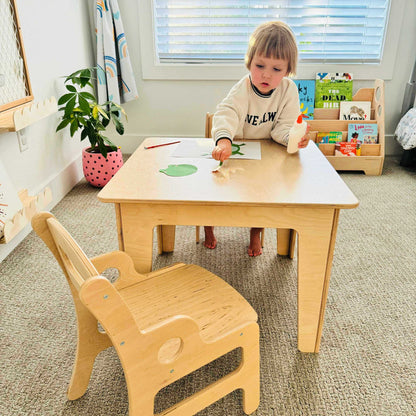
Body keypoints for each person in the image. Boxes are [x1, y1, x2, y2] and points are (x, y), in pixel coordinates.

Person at [204, 21, 310, 256]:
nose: (265, 74)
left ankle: (255, 233)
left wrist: (293, 138)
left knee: (263, 194)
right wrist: (223, 141)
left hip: (266, 153)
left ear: (288, 70)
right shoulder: (242, 88)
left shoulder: (288, 90)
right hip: (236, 149)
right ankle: (208, 227)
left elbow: (282, 128)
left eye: (276, 69)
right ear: (249, 62)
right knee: (216, 190)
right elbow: (226, 113)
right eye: (259, 65)